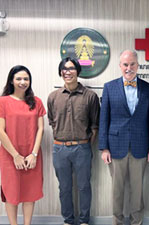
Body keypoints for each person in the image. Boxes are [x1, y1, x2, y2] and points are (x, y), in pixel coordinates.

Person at [99, 50, 149, 225]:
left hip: (141, 146)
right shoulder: (109, 87)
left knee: (137, 191)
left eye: (132, 64)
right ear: (120, 66)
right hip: (115, 146)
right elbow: (104, 118)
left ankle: (136, 222)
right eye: (125, 64)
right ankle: (117, 221)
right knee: (117, 191)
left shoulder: (148, 88)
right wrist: (104, 147)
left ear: (138, 66)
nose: (129, 68)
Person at [47, 57, 100, 225]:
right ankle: (68, 220)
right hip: (59, 149)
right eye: (64, 68)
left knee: (84, 186)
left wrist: (85, 145)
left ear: (78, 71)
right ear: (60, 72)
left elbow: (95, 125)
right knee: (64, 188)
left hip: (82, 148)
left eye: (71, 68)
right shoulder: (53, 97)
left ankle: (84, 220)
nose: (67, 72)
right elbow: (52, 121)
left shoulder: (90, 96)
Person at [0, 65, 46, 225]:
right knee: (11, 193)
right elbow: (1, 131)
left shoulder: (36, 102)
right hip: (9, 156)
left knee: (30, 192)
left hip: (32, 155)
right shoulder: (3, 101)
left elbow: (41, 129)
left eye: (26, 79)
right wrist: (16, 156)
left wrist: (33, 154)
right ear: (11, 81)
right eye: (18, 78)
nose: (22, 82)